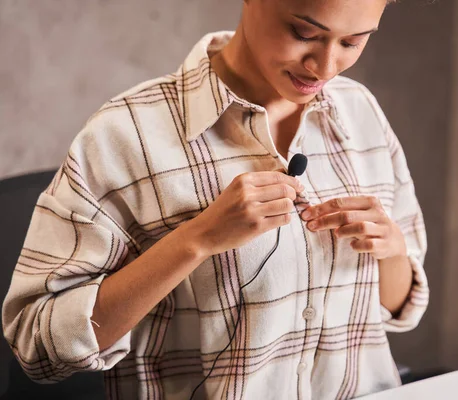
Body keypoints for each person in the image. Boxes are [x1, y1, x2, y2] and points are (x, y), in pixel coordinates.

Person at [2, 0, 429, 399]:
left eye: (353, 41)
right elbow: (37, 347)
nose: (326, 66)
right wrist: (196, 240)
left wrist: (390, 250)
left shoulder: (360, 111)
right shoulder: (125, 136)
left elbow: (397, 309)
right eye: (303, 32)